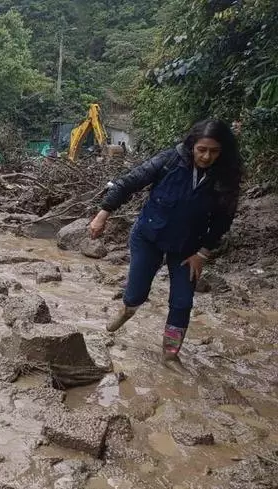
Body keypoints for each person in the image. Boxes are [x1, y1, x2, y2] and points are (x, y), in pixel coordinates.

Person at [88, 119, 242, 364]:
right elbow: (129, 182)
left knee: (182, 302)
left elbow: (224, 219)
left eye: (214, 151)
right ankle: (128, 308)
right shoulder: (170, 160)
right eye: (202, 149)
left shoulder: (226, 175)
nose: (206, 156)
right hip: (149, 237)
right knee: (137, 293)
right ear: (192, 145)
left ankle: (170, 354)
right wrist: (103, 213)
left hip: (188, 247)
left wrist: (202, 253)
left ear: (222, 152)